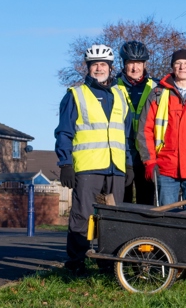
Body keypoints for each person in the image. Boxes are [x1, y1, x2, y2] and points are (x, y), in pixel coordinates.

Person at [55, 44, 133, 275]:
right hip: (88, 166)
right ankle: (76, 263)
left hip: (116, 167)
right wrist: (65, 163)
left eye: (103, 64)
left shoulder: (121, 95)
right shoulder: (76, 95)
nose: (99, 68)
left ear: (111, 67)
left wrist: (128, 163)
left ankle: (109, 264)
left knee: (113, 217)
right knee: (82, 215)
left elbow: (125, 134)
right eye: (94, 65)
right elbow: (64, 132)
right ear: (88, 68)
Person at [138, 49, 186, 209]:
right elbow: (145, 131)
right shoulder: (157, 94)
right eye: (178, 63)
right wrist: (149, 161)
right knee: (166, 219)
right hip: (165, 168)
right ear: (172, 67)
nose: (182, 67)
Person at [116, 41, 158, 205]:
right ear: (124, 64)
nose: (135, 68)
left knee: (146, 204)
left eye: (139, 63)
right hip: (121, 155)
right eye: (130, 63)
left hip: (146, 155)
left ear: (145, 64)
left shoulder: (157, 87)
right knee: (121, 204)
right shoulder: (113, 86)